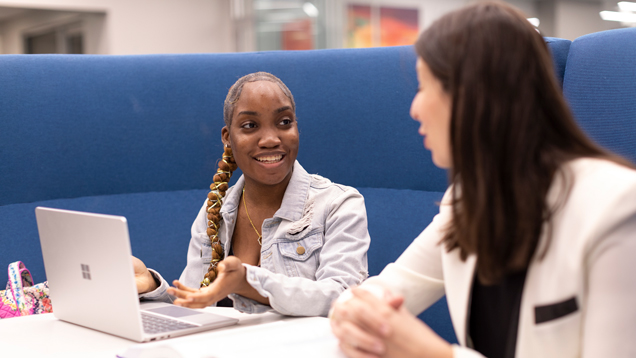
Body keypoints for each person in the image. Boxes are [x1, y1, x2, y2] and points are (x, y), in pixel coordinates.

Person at [329, 2, 636, 358]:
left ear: (472, 97)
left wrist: (435, 355)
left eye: (424, 87)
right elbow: (376, 294)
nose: (414, 108)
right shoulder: (469, 200)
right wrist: (355, 314)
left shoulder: (617, 207)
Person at [134, 72, 370, 317]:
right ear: (228, 138)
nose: (270, 139)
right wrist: (152, 286)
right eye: (250, 126)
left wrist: (248, 282)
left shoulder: (338, 204)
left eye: (284, 122)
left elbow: (342, 297)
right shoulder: (214, 212)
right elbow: (194, 305)